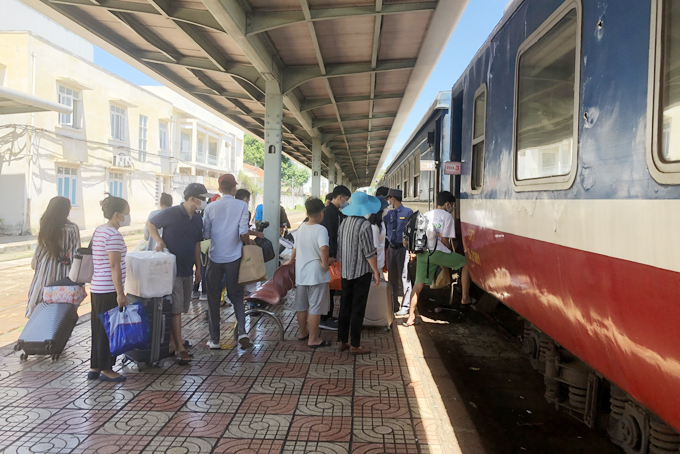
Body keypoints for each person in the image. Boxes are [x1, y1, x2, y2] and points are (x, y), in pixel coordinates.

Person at [147, 183, 208, 364]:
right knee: (176, 310)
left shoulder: (197, 219)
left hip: (187, 269)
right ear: (192, 199)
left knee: (182, 307)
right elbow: (151, 224)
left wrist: (198, 267)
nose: (204, 202)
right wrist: (158, 240)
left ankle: (172, 345)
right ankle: (180, 347)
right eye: (202, 198)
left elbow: (197, 244)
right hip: (170, 270)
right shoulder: (172, 212)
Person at [405, 191, 471, 326]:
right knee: (465, 264)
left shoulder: (428, 214)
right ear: (447, 204)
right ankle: (465, 298)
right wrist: (451, 253)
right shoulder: (447, 216)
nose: (452, 207)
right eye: (452, 205)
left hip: (423, 253)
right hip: (437, 253)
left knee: (418, 286)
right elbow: (446, 241)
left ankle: (410, 317)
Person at [203, 174, 253, 350]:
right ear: (234, 189)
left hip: (214, 258)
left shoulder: (210, 207)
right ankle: (242, 331)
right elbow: (243, 232)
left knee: (213, 298)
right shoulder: (242, 206)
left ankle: (214, 339)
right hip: (234, 258)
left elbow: (206, 234)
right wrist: (250, 244)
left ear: (219, 189)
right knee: (237, 296)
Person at [89, 194, 130, 382]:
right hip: (108, 289)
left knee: (98, 328)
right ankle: (107, 368)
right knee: (108, 329)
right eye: (126, 213)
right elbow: (114, 266)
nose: (128, 216)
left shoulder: (99, 230)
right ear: (116, 215)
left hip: (97, 287)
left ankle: (95, 366)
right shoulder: (113, 235)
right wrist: (120, 293)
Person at [336, 191, 382, 354]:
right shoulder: (365, 225)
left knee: (345, 306)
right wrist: (375, 271)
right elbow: (369, 253)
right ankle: (355, 344)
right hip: (361, 273)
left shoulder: (344, 223)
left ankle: (342, 341)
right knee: (358, 307)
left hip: (346, 271)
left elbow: (340, 248)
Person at [284, 198, 331, 348]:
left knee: (302, 305)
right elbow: (324, 248)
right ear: (321, 213)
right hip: (316, 274)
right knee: (315, 307)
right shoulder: (321, 229)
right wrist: (325, 264)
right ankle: (313, 339)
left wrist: (291, 260)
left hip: (301, 273)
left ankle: (302, 332)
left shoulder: (302, 227)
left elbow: (295, 247)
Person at [26, 196, 80, 317]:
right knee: (62, 303)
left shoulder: (46, 225)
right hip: (65, 271)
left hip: (45, 269)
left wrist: (36, 265)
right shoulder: (72, 228)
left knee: (42, 300)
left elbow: (40, 249)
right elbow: (75, 252)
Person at [319, 185, 351, 330]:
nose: (346, 202)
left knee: (330, 287)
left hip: (332, 255)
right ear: (340, 197)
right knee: (328, 287)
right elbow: (328, 236)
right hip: (329, 257)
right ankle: (324, 318)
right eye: (345, 199)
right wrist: (330, 256)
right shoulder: (328, 213)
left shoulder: (335, 212)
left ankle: (328, 315)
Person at [384, 188, 414, 315]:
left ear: (393, 199)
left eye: (389, 198)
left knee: (405, 277)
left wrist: (411, 249)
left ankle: (406, 306)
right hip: (391, 249)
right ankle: (393, 304)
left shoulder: (408, 212)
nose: (389, 201)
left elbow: (412, 230)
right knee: (392, 278)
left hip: (403, 249)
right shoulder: (389, 214)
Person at [368, 196, 388, 272]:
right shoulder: (374, 226)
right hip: (375, 264)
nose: (387, 210)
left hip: (380, 261)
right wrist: (375, 269)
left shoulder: (381, 223)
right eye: (385, 208)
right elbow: (373, 248)